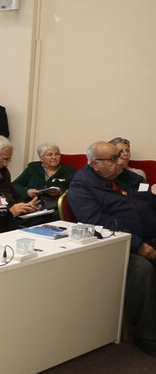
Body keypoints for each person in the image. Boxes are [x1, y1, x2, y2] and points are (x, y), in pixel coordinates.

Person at [67, 141, 156, 357]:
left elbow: (150, 203)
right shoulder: (81, 187)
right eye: (113, 158)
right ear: (95, 164)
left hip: (149, 235)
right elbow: (97, 222)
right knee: (142, 269)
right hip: (115, 245)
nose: (120, 161)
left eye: (120, 156)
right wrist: (137, 244)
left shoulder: (131, 178)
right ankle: (147, 335)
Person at [11, 143, 76, 210]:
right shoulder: (33, 168)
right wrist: (28, 192)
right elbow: (15, 185)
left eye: (57, 154)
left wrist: (61, 192)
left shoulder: (69, 170)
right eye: (50, 155)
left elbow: (75, 190)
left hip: (55, 207)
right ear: (41, 158)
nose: (54, 157)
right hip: (31, 204)